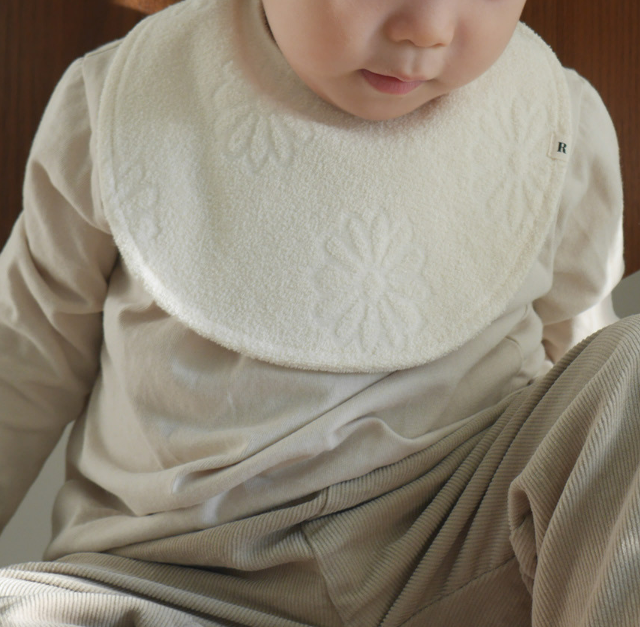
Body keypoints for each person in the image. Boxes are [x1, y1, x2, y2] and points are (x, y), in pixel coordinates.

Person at [0, 0, 636, 625]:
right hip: (166, 578)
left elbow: (587, 377)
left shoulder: (559, 123)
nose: (428, 28)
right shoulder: (120, 103)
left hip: (461, 542)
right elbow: (23, 360)